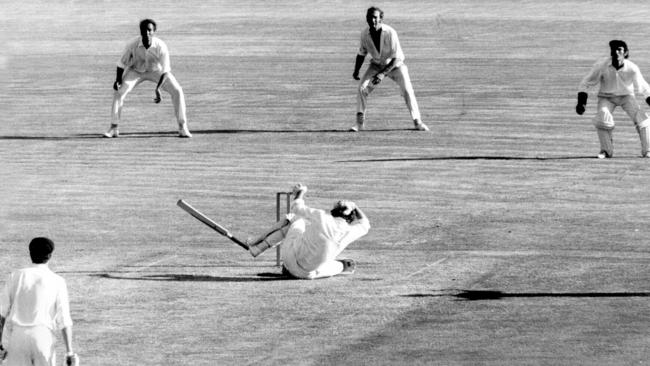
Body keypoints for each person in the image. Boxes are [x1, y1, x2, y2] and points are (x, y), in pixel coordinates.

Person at [247, 184, 370, 279]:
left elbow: (296, 208)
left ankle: (258, 246)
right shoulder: (350, 231)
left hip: (290, 259)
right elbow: (365, 223)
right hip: (307, 274)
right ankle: (343, 266)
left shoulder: (322, 216)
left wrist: (300, 192)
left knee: (294, 218)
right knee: (339, 265)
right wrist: (354, 206)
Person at [104, 18, 191, 138]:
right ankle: (114, 128)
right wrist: (118, 80)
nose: (146, 33)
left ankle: (182, 127)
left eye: (149, 30)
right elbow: (121, 64)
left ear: (154, 32)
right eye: (144, 30)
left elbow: (165, 70)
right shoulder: (132, 44)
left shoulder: (161, 46)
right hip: (135, 71)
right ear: (140, 31)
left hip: (157, 71)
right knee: (119, 92)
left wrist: (158, 89)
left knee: (177, 91)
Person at [0, 237, 79, 366]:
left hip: (17, 338)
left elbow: (1, 314)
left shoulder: (15, 276)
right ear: (50, 255)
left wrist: (0, 343)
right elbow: (64, 319)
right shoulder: (57, 281)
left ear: (30, 253)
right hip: (43, 337)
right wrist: (69, 351)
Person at [351, 6, 429, 132]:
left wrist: (381, 75)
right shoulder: (364, 34)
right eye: (369, 17)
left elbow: (396, 58)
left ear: (380, 19)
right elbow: (361, 53)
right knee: (362, 88)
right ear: (366, 19)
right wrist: (356, 70)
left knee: (407, 90)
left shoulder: (390, 32)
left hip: (395, 66)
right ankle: (359, 124)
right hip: (376, 65)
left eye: (375, 17)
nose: (372, 20)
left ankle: (417, 122)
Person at [576, 39, 650, 158]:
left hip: (627, 96)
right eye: (613, 49)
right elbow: (586, 83)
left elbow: (643, 86)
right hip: (606, 97)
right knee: (603, 117)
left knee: (642, 118)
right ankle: (606, 151)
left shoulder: (632, 68)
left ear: (625, 53)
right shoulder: (601, 66)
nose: (616, 52)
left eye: (619, 49)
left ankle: (648, 150)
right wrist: (581, 102)